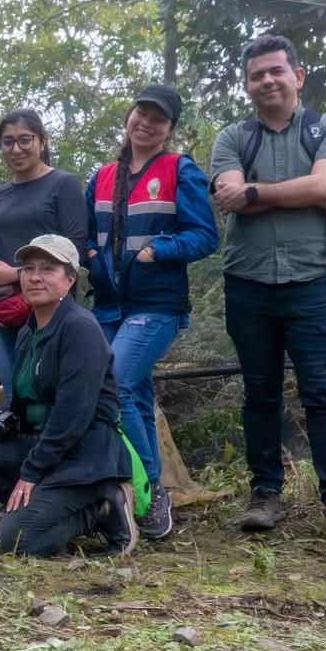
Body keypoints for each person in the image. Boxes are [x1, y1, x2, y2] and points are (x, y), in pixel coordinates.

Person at [210, 34, 326, 547]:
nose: (267, 80)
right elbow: (230, 199)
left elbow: (322, 185)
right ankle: (264, 494)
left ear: (298, 76)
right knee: (260, 392)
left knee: (323, 394)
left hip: (314, 282)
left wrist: (261, 193)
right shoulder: (232, 138)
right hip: (248, 282)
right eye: (257, 74)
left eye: (277, 71)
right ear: (248, 84)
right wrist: (304, 193)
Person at [85, 86, 219, 541]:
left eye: (158, 118)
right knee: (135, 397)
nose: (146, 122)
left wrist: (159, 250)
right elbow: (87, 233)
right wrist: (91, 257)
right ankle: (147, 491)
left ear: (169, 129)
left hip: (157, 304)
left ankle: (149, 493)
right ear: (129, 116)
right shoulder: (102, 175)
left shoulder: (180, 169)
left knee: (117, 385)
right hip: (108, 304)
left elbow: (205, 236)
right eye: (141, 113)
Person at [0, 235, 135, 557]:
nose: (34, 276)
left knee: (11, 543)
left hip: (85, 454)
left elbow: (72, 414)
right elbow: (27, 407)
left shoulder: (80, 328)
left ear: (69, 279)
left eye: (48, 269)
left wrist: (31, 472)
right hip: (46, 446)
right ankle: (41, 512)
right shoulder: (29, 330)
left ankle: (103, 506)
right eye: (28, 268)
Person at [0, 110, 85, 396]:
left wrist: (15, 273)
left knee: (47, 391)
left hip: (49, 308)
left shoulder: (63, 184)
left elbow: (75, 248)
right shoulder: (0, 195)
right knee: (14, 393)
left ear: (42, 141)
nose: (16, 149)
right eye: (8, 142)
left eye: (25, 140)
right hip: (4, 308)